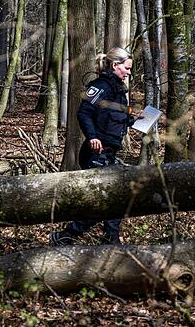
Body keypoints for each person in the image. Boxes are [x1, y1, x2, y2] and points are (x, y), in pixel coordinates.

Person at [50, 47, 137, 246]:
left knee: (115, 198)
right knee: (108, 200)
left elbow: (115, 118)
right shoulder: (100, 86)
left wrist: (134, 119)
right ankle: (67, 236)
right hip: (96, 153)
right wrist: (92, 137)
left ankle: (109, 239)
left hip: (110, 152)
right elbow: (84, 112)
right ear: (114, 66)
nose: (129, 72)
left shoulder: (118, 91)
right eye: (127, 68)